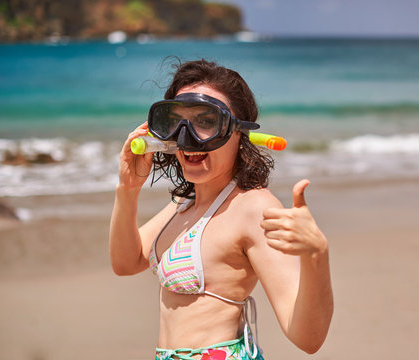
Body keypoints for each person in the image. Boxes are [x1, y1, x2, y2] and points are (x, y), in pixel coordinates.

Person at [109, 59, 333, 360]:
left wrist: (316, 255)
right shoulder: (184, 204)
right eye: (176, 121)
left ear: (239, 134)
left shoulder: (253, 208)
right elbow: (126, 262)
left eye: (206, 121)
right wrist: (128, 189)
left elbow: (308, 338)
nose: (187, 136)